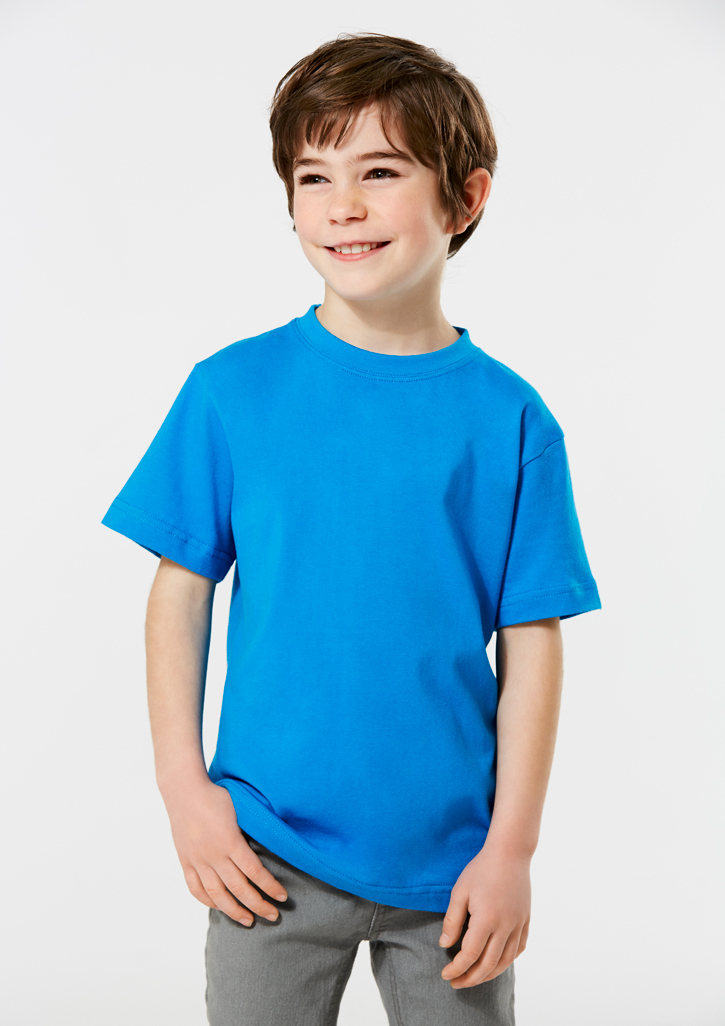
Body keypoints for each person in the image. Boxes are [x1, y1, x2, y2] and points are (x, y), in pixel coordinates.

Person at [102, 31, 601, 1026]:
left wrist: (511, 850)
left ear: (464, 198)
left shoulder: (511, 421)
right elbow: (180, 595)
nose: (341, 205)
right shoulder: (232, 391)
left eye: (379, 171)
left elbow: (533, 643)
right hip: (265, 852)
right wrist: (183, 790)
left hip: (451, 867)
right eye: (312, 176)